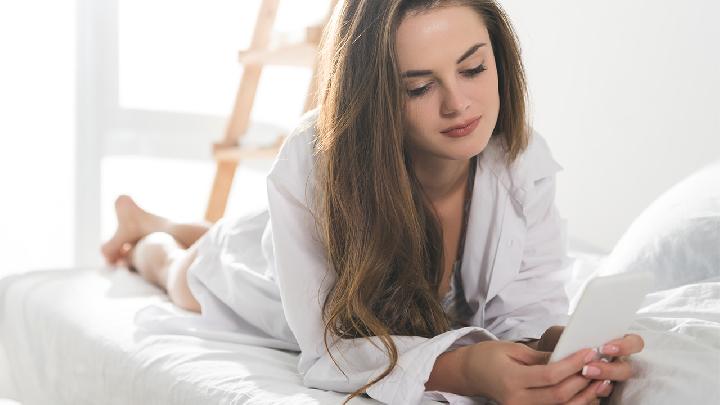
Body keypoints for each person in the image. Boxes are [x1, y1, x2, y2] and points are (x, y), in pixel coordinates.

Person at [101, 1, 644, 404]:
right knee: (184, 273)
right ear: (376, 97)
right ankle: (145, 233)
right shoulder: (314, 160)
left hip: (274, 228)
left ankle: (165, 222)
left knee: (233, 230)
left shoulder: (521, 161)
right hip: (262, 269)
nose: (459, 104)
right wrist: (464, 369)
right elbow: (329, 352)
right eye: (418, 88)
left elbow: (525, 307)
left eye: (473, 68)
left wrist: (556, 344)